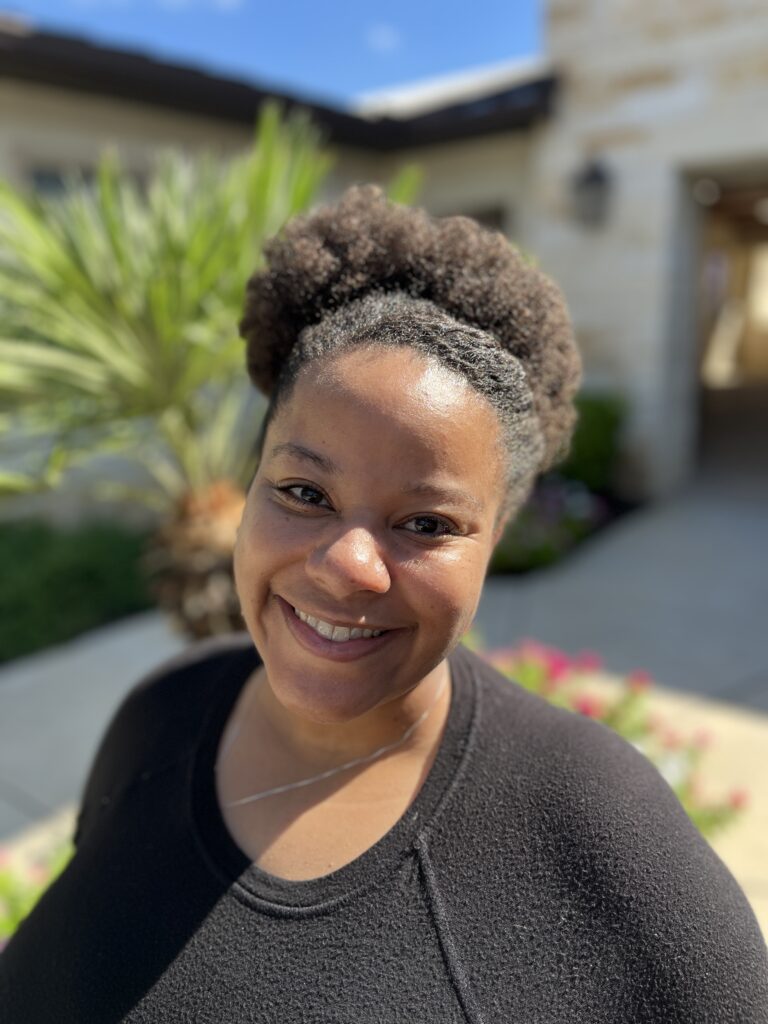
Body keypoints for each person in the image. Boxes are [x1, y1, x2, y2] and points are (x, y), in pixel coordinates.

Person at [1, 184, 766, 1023]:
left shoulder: (598, 828)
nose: (347, 565)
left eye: (427, 522)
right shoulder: (161, 713)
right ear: (249, 486)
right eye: (302, 491)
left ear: (495, 541)